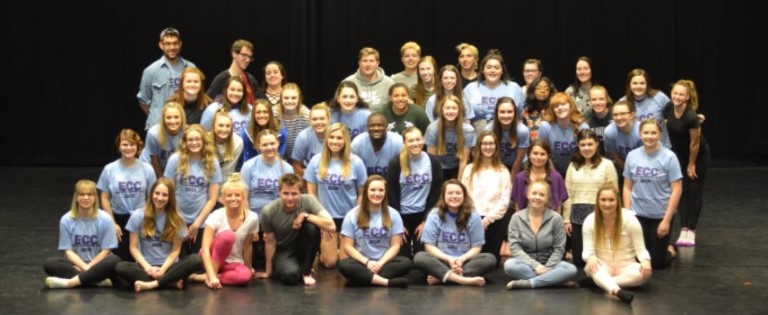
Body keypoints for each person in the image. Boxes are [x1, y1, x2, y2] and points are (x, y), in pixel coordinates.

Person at [114, 178, 202, 292]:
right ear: (151, 194)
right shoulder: (138, 216)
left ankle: (152, 284)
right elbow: (133, 248)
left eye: (164, 195)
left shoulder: (177, 219)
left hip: (169, 266)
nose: (160, 198)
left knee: (195, 259)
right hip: (145, 266)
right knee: (120, 267)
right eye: (157, 193)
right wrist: (148, 268)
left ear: (170, 198)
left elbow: (175, 251)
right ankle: (169, 282)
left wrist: (163, 269)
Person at [304, 123, 368, 268]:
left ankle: (343, 245)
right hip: (327, 218)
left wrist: (355, 219)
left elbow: (362, 195)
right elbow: (311, 194)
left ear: (345, 140)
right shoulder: (316, 161)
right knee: (330, 262)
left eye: (339, 138)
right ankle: (322, 252)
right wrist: (320, 220)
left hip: (348, 217)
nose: (335, 141)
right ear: (326, 139)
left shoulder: (356, 162)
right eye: (331, 137)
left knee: (345, 262)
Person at [255, 174, 336, 286]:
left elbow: (331, 226)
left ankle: (306, 272)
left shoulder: (308, 200)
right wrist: (268, 272)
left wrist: (306, 216)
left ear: (301, 192)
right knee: (291, 277)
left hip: (302, 246)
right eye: (286, 193)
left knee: (312, 227)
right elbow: (270, 242)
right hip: (283, 249)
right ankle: (299, 268)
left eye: (294, 194)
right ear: (279, 192)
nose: (290, 198)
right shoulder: (268, 211)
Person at [623, 119, 682, 269]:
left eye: (653, 132)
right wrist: (628, 214)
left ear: (660, 134)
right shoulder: (632, 156)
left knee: (656, 262)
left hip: (660, 215)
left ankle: (670, 250)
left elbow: (677, 189)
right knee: (638, 260)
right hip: (638, 214)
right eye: (646, 132)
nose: (649, 136)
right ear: (640, 134)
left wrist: (667, 220)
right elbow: (627, 186)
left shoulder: (669, 157)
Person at [414, 180, 496, 286]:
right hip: (441, 261)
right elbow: (429, 246)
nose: (454, 196)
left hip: (464, 262)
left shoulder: (473, 215)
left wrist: (462, 259)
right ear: (443, 196)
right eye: (450, 193)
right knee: (420, 257)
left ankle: (443, 278)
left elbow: (477, 247)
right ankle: (463, 280)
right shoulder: (434, 215)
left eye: (458, 193)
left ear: (464, 196)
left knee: (490, 259)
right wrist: (448, 259)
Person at [582, 183, 651, 304]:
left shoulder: (630, 220)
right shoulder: (589, 220)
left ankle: (600, 282)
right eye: (603, 200)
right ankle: (616, 291)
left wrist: (646, 260)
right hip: (602, 263)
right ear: (597, 201)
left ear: (617, 201)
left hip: (626, 264)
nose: (607, 204)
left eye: (611, 200)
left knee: (645, 274)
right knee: (592, 268)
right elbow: (587, 251)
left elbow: (641, 250)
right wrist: (591, 257)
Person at [338, 175, 412, 288]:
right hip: (362, 263)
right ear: (366, 191)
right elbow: (347, 247)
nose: (377, 194)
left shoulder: (394, 214)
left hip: (384, 263)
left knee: (406, 263)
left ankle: (361, 279)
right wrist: (367, 262)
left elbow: (395, 246)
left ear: (385, 192)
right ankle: (386, 282)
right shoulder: (352, 215)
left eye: (381, 190)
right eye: (372, 190)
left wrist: (379, 263)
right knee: (343, 264)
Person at [44, 180, 120, 289]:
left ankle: (70, 283)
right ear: (76, 197)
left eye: (89, 194)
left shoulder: (106, 219)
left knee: (115, 260)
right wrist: (85, 267)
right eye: (82, 194)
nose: (85, 198)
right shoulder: (66, 220)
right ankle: (96, 281)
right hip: (77, 265)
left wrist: (89, 267)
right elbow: (68, 252)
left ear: (95, 198)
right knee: (50, 263)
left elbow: (106, 251)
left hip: (100, 265)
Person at [189, 173, 259, 289]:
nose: (233, 198)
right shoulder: (216, 215)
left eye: (237, 195)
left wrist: (248, 267)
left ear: (243, 197)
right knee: (228, 236)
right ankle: (211, 276)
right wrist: (212, 276)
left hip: (233, 261)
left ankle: (206, 277)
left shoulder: (252, 218)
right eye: (229, 195)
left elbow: (247, 247)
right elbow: (205, 249)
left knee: (245, 276)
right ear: (223, 199)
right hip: (211, 258)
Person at [505, 180, 577, 289]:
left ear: (547, 198)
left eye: (542, 194)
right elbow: (515, 248)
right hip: (526, 264)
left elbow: (559, 248)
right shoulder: (516, 218)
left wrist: (547, 268)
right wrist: (536, 265)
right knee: (509, 265)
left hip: (550, 264)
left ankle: (531, 283)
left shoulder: (556, 218)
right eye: (534, 193)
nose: (537, 197)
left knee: (571, 269)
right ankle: (553, 281)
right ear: (528, 194)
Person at [98, 129, 157, 261]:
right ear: (119, 146)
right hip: (118, 219)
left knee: (143, 257)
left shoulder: (147, 168)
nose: (129, 148)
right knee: (121, 259)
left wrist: (148, 218)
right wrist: (112, 223)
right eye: (125, 144)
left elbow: (152, 197)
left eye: (132, 144)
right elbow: (105, 198)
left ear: (137, 147)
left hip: (141, 218)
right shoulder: (109, 169)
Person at [164, 124, 222, 257]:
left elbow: (212, 199)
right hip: (177, 217)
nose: (194, 143)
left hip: (201, 220)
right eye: (190, 140)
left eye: (197, 139)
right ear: (185, 142)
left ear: (203, 141)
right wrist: (179, 222)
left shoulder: (212, 162)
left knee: (197, 259)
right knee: (179, 258)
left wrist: (197, 223)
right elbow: (169, 192)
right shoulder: (175, 159)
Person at [562, 129, 618, 268]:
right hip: (577, 215)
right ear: (578, 146)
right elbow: (567, 194)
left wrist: (611, 217)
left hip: (600, 214)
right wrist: (566, 219)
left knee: (601, 259)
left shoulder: (607, 165)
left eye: (590, 144)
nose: (586, 148)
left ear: (597, 144)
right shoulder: (572, 166)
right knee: (580, 261)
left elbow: (614, 193)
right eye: (583, 145)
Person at [386, 127, 443, 259]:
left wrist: (426, 221)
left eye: (418, 139)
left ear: (423, 140)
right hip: (402, 216)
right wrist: (398, 223)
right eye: (411, 140)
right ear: (404, 143)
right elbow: (391, 194)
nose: (415, 143)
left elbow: (436, 192)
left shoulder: (433, 162)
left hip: (423, 215)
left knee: (421, 258)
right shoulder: (396, 163)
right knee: (402, 258)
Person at [666, 80, 710, 246]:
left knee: (695, 189)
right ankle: (683, 228)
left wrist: (691, 164)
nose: (677, 97)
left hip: (697, 155)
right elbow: (667, 122)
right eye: (675, 93)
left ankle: (691, 229)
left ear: (687, 97)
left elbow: (695, 143)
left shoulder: (691, 116)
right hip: (680, 155)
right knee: (681, 190)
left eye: (681, 94)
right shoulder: (668, 108)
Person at [460, 131, 511, 262]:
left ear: (496, 147)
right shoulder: (469, 169)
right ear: (479, 146)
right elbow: (464, 196)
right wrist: (476, 219)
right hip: (471, 219)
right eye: (485, 144)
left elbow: (504, 201)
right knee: (471, 259)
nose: (488, 147)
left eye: (491, 144)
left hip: (494, 221)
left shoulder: (503, 170)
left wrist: (487, 220)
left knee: (491, 261)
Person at [137, 27, 196, 130]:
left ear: (180, 44)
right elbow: (143, 101)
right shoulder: (151, 71)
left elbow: (197, 97)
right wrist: (157, 116)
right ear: (161, 45)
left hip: (185, 128)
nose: (172, 47)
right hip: (158, 128)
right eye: (168, 44)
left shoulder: (191, 68)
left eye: (175, 43)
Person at [464, 49, 526, 132]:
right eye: (489, 67)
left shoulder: (514, 88)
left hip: (506, 133)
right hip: (477, 135)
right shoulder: (470, 88)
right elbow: (464, 118)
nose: (492, 70)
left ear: (502, 70)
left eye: (497, 68)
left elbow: (520, 117)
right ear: (483, 70)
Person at [242, 129, 295, 214]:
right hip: (253, 214)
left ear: (277, 143)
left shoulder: (288, 169)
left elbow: (290, 198)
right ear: (258, 145)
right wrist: (249, 219)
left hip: (278, 214)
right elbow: (243, 198)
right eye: (265, 145)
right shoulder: (248, 166)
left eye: (272, 143)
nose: (269, 147)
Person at [537, 92, 590, 176]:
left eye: (563, 104)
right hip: (552, 170)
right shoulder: (545, 126)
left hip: (578, 170)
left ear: (570, 106)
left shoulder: (582, 126)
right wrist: (555, 176)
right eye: (556, 106)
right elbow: (543, 153)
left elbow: (587, 152)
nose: (560, 108)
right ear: (552, 110)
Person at [426, 95, 475, 180]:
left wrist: (459, 182)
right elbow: (431, 160)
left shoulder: (468, 130)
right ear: (442, 110)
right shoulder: (432, 129)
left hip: (457, 168)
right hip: (438, 168)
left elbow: (463, 161)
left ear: (459, 110)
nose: (451, 111)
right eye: (447, 108)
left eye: (454, 108)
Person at [511, 139, 568, 212]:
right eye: (535, 153)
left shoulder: (556, 178)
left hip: (550, 222)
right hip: (525, 221)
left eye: (542, 154)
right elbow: (518, 207)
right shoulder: (519, 178)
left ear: (548, 156)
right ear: (529, 155)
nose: (538, 157)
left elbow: (558, 207)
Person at [619, 68, 671, 148]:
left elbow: (674, 116)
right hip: (637, 150)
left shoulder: (659, 97)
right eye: (635, 83)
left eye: (642, 83)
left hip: (662, 148)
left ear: (647, 84)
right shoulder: (623, 103)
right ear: (629, 84)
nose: (638, 86)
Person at [140, 102, 186, 178]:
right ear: (163, 119)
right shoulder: (153, 133)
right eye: (169, 117)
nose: (173, 121)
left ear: (182, 118)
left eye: (176, 117)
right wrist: (163, 183)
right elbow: (155, 162)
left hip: (171, 167)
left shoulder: (187, 132)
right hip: (151, 166)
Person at [487, 96, 530, 176]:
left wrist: (511, 181)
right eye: (502, 112)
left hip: (519, 164)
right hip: (497, 164)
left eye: (510, 112)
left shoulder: (522, 130)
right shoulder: (489, 129)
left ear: (515, 113)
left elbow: (519, 160)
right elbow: (489, 156)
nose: (506, 115)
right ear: (497, 113)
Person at [206, 39, 259, 104]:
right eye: (244, 55)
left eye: (249, 57)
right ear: (234, 54)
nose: (247, 60)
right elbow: (208, 101)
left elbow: (261, 102)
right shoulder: (221, 79)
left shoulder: (250, 79)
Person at [343, 47, 396, 112]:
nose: (368, 64)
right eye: (365, 61)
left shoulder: (389, 83)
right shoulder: (348, 83)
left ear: (377, 63)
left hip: (382, 121)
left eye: (371, 61)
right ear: (359, 63)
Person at [603, 101, 642, 184]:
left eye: (623, 114)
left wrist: (638, 175)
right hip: (622, 166)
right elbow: (614, 156)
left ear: (631, 115)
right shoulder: (609, 132)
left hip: (642, 166)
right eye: (615, 115)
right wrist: (629, 173)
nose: (619, 118)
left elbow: (646, 157)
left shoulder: (641, 131)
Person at [241, 99, 287, 165]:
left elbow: (279, 157)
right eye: (258, 112)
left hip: (274, 166)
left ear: (270, 114)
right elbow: (248, 159)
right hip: (254, 168)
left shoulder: (281, 133)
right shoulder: (246, 133)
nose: (262, 115)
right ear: (253, 114)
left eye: (265, 112)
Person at [291, 103, 331, 179]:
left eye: (322, 118)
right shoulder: (303, 137)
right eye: (314, 119)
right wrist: (309, 179)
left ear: (329, 119)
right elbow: (296, 164)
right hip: (311, 175)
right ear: (310, 121)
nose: (318, 122)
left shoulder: (336, 135)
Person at [276, 83, 311, 164]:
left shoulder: (306, 115)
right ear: (281, 99)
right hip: (279, 159)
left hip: (301, 160)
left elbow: (309, 142)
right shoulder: (274, 113)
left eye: (294, 98)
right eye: (286, 98)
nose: (290, 101)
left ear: (299, 99)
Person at [210, 110, 244, 181]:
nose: (224, 129)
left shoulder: (238, 142)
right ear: (213, 126)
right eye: (221, 125)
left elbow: (228, 171)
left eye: (228, 126)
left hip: (226, 180)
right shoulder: (205, 140)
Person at [583, 85, 613, 155]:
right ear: (589, 101)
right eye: (594, 99)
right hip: (593, 157)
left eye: (601, 99)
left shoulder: (615, 115)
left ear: (607, 100)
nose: (598, 103)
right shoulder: (585, 118)